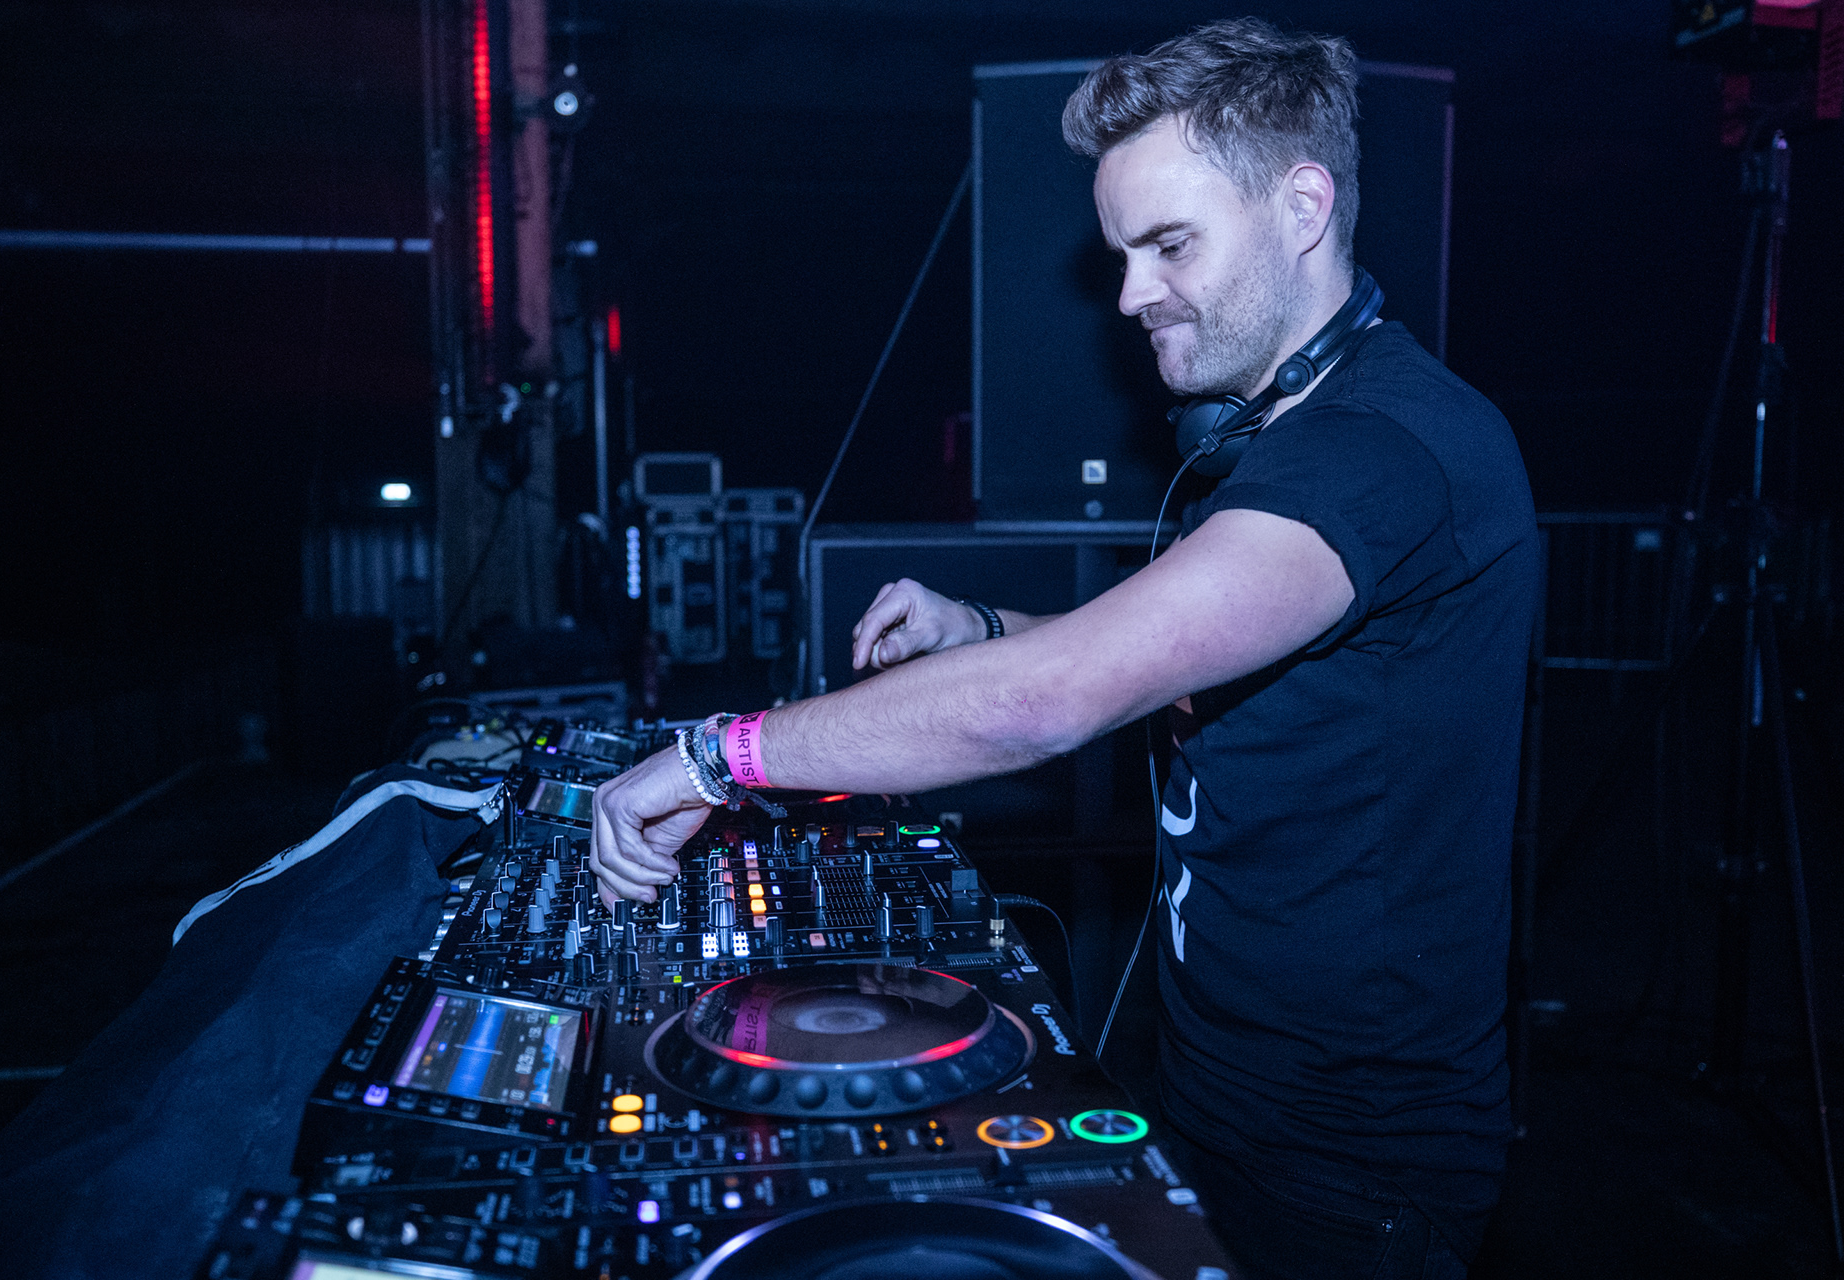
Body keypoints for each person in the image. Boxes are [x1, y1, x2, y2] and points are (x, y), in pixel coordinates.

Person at [589, 18, 1536, 1280]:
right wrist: (983, 626)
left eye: (1171, 244)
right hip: (1223, 1097)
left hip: (1345, 1161)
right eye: (1122, 255)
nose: (1133, 295)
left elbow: (1055, 699)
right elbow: (1167, 654)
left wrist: (719, 755)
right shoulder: (1288, 443)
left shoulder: (1380, 455)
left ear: (1303, 206)